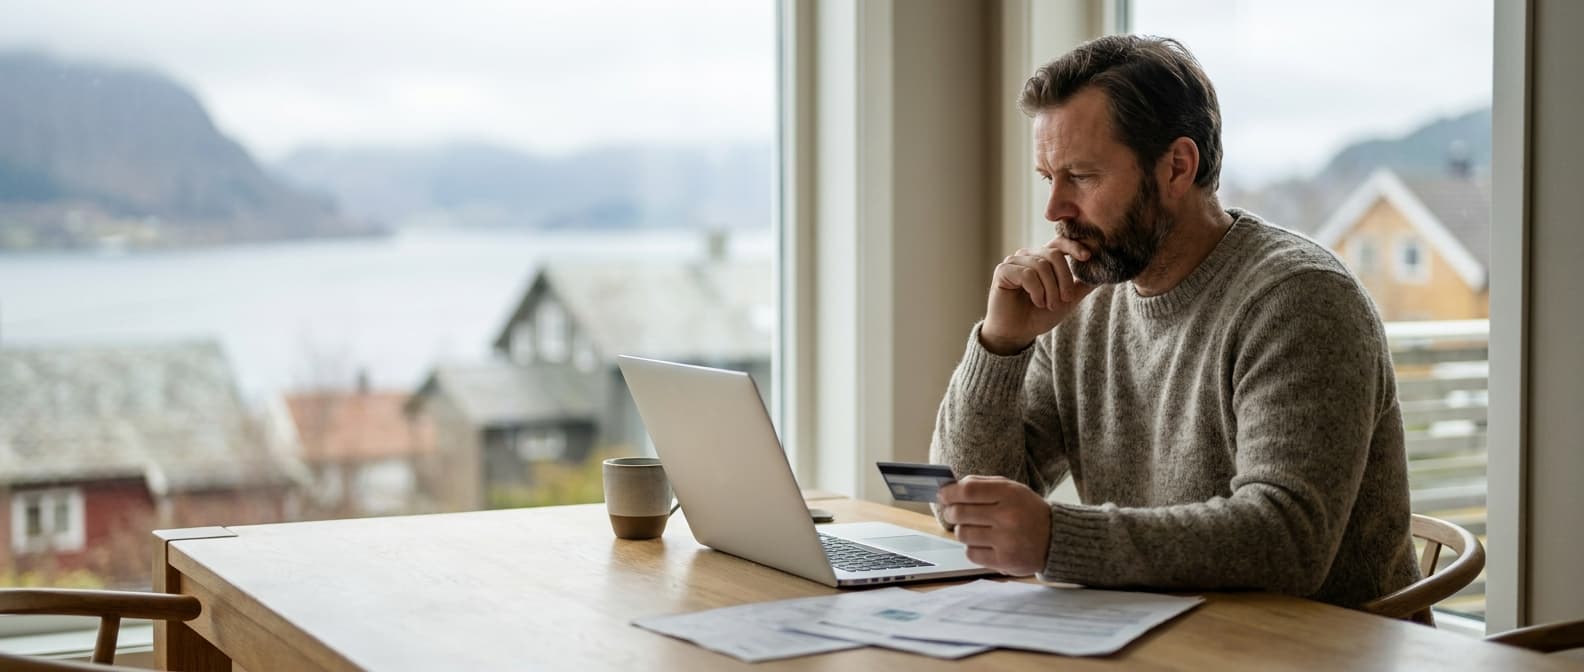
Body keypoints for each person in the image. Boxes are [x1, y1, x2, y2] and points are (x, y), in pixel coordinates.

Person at [930, 34, 1420, 609]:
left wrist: (1059, 539)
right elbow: (964, 504)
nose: (1054, 209)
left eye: (1081, 177)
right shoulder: (1082, 299)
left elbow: (1287, 542)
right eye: (1049, 178)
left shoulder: (1298, 298)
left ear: (1177, 168)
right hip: (1159, 634)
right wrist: (1002, 345)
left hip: (1319, 652)